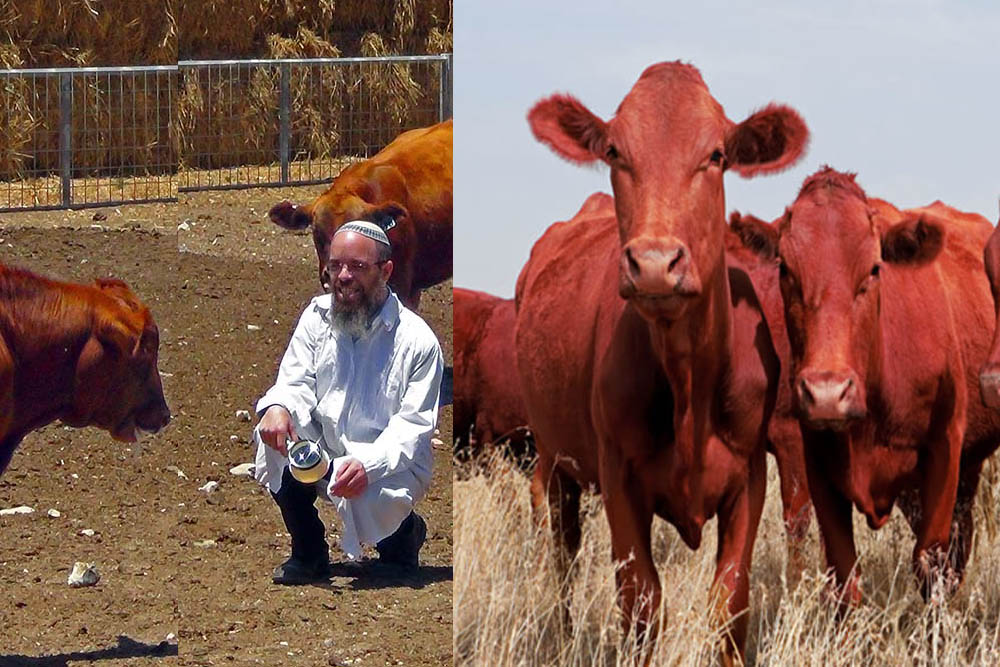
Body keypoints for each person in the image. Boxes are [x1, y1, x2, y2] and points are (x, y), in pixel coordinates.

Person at [252, 220, 444, 585]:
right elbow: (295, 381)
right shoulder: (315, 317)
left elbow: (412, 429)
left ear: (385, 271)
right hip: (326, 447)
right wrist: (279, 406)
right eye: (335, 265)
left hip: (389, 462)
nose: (342, 276)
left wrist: (366, 465)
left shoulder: (418, 342)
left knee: (375, 496)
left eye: (356, 267)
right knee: (275, 436)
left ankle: (403, 538)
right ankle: (308, 550)